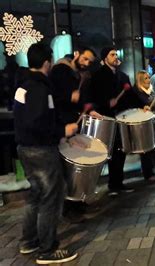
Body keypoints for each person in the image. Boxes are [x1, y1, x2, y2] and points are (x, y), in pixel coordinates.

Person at [14, 43, 78, 264]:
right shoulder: (39, 88)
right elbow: (36, 122)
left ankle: (28, 241)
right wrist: (63, 130)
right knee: (51, 198)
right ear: (46, 62)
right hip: (40, 150)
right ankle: (47, 249)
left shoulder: (23, 85)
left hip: (25, 148)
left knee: (35, 196)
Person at [50, 47, 96, 223]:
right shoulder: (60, 70)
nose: (86, 64)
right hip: (63, 125)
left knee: (76, 163)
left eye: (89, 62)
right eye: (84, 59)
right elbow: (53, 98)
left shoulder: (80, 75)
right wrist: (69, 97)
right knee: (68, 167)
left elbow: (80, 101)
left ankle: (77, 202)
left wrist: (86, 109)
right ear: (76, 54)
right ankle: (68, 209)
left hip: (74, 124)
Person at [84, 47, 134, 196]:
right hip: (104, 118)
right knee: (106, 152)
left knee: (121, 150)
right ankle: (97, 187)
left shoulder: (123, 76)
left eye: (116, 54)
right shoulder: (97, 76)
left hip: (121, 118)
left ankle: (117, 183)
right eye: (112, 55)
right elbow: (93, 97)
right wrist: (106, 103)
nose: (115, 57)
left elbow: (129, 96)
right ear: (105, 58)